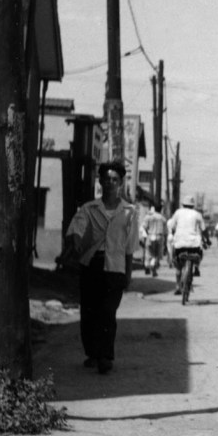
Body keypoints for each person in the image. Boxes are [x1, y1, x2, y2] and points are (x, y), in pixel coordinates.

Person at [65, 160, 140, 374]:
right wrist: (77, 241)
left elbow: (130, 246)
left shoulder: (129, 212)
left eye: (114, 179)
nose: (110, 183)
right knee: (89, 311)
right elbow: (77, 229)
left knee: (108, 312)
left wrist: (128, 274)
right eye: (106, 179)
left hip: (116, 267)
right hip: (92, 265)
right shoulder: (89, 209)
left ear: (121, 183)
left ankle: (106, 356)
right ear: (100, 181)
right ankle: (92, 352)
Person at [168, 196, 207, 296]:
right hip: (194, 243)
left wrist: (175, 233)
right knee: (199, 254)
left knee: (178, 266)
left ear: (183, 204)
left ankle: (178, 286)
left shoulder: (178, 212)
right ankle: (196, 267)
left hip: (179, 243)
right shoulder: (197, 214)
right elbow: (203, 229)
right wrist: (207, 240)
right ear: (193, 205)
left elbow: (172, 226)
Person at [140, 200, 168, 277]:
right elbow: (165, 231)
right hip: (159, 237)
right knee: (156, 254)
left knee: (148, 252)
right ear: (161, 209)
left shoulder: (148, 217)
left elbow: (143, 227)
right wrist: (165, 243)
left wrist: (143, 237)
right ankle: (153, 266)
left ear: (154, 208)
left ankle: (146, 265)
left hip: (150, 236)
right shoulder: (163, 218)